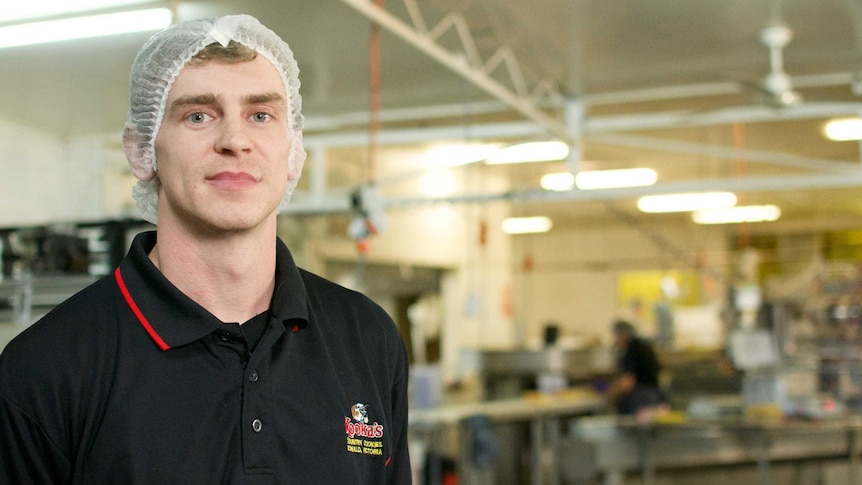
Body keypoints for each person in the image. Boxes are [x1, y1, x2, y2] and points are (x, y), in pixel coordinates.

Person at [0, 14, 412, 484]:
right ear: (142, 151)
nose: (235, 141)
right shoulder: (46, 367)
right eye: (198, 115)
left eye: (260, 115)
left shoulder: (367, 337)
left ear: (293, 150)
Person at [604, 320, 667, 416]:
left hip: (641, 399)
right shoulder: (644, 347)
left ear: (622, 335)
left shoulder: (631, 351)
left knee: (637, 428)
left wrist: (609, 392)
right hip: (655, 395)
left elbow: (628, 382)